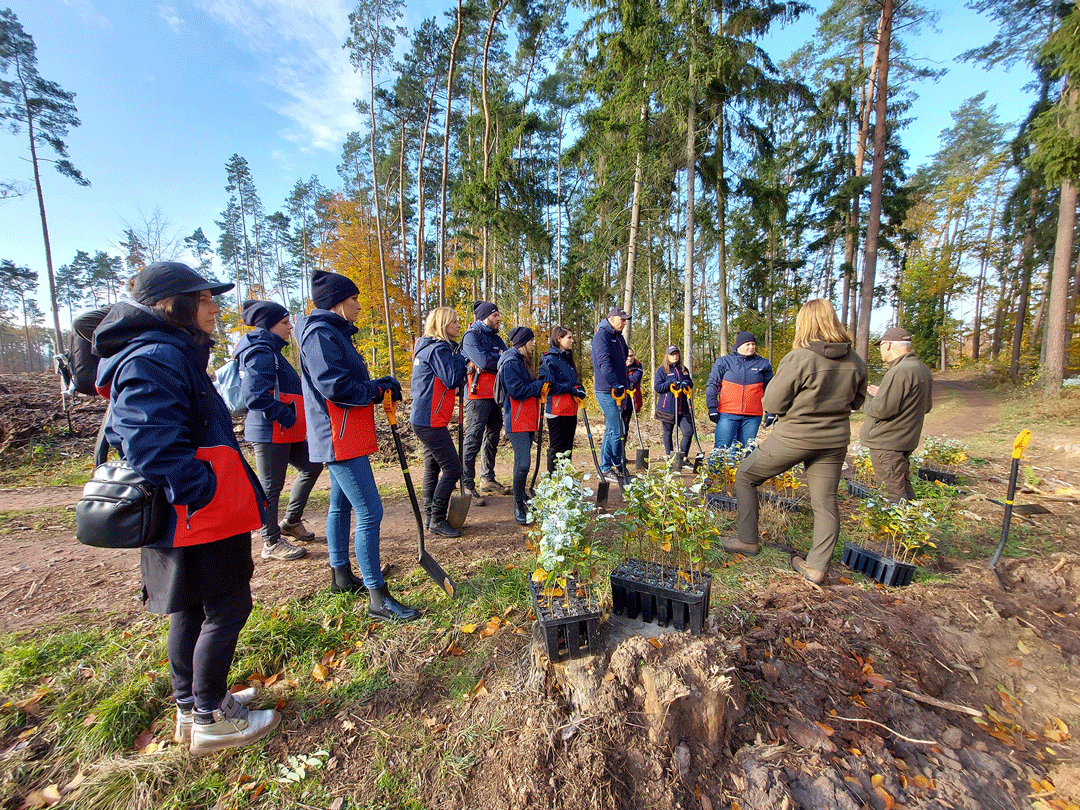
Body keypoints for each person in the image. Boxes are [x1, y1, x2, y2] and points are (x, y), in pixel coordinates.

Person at [93, 261, 278, 756]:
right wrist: (203, 489)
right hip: (194, 513)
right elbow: (150, 444)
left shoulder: (168, 352)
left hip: (190, 512)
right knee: (229, 604)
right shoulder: (154, 357)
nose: (214, 306)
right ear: (170, 306)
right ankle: (212, 714)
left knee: (192, 607)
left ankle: (191, 705)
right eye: (203, 298)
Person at [297, 269, 419, 621]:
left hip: (344, 432)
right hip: (338, 435)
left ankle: (340, 575)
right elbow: (336, 387)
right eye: (354, 300)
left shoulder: (331, 333)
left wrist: (377, 382)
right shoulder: (320, 334)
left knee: (341, 506)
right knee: (370, 511)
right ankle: (377, 596)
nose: (359, 306)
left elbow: (348, 380)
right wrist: (376, 390)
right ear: (337, 303)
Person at [725, 299, 867, 585]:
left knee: (746, 475)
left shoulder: (800, 358)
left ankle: (748, 540)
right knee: (825, 502)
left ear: (805, 323)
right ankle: (816, 566)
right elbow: (858, 401)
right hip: (835, 439)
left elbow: (772, 401)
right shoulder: (855, 360)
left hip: (795, 437)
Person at [235, 299, 323, 561]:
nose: (289, 327)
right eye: (284, 323)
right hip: (271, 430)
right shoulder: (260, 351)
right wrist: (287, 416)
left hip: (287, 430)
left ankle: (291, 521)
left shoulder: (271, 350)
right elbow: (255, 396)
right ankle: (270, 541)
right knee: (271, 487)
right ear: (269, 325)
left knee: (312, 466)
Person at [410, 307, 469, 537]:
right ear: (443, 325)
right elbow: (452, 379)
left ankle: (429, 517)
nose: (458, 325)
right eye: (454, 322)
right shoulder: (438, 349)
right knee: (453, 468)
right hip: (429, 419)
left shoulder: (427, 347)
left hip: (427, 417)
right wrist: (461, 360)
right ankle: (436, 519)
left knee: (433, 466)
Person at [859, 326, 933, 502]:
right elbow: (925, 406)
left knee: (891, 494)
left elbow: (881, 410)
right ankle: (912, 525)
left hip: (888, 443)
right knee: (903, 488)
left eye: (881, 346)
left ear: (890, 345)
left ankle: (898, 529)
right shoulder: (921, 369)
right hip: (904, 440)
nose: (881, 351)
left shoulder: (899, 371)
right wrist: (883, 394)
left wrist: (860, 401)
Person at [461, 301, 510, 504]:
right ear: (484, 317)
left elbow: (508, 359)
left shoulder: (496, 337)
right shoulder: (471, 336)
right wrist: (496, 357)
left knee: (492, 437)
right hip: (476, 395)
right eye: (495, 315)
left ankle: (487, 479)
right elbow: (482, 361)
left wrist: (497, 358)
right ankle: (466, 485)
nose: (499, 319)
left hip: (495, 395)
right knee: (472, 440)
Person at [497, 326, 547, 524]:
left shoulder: (521, 361)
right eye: (531, 340)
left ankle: (521, 498)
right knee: (524, 463)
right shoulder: (510, 362)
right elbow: (517, 391)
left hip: (526, 418)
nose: (534, 343)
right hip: (516, 419)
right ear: (523, 342)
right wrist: (539, 385)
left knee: (521, 463)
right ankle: (518, 502)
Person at [706, 331, 774, 449]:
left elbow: (770, 389)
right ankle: (717, 468)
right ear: (739, 346)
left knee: (746, 449)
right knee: (722, 448)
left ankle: (743, 468)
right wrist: (712, 407)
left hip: (752, 416)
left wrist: (771, 411)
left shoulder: (763, 364)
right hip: (727, 414)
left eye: (753, 344)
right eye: (747, 344)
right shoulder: (724, 362)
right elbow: (712, 385)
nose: (751, 347)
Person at [591, 307, 631, 481]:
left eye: (625, 320)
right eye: (621, 320)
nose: (624, 323)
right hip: (606, 390)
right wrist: (615, 383)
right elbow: (604, 362)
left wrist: (625, 384)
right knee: (617, 429)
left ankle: (606, 466)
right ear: (612, 319)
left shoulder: (619, 337)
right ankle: (615, 462)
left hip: (618, 390)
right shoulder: (602, 336)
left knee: (612, 430)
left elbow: (623, 363)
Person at [539, 326, 586, 473]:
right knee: (557, 447)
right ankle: (554, 482)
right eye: (569, 337)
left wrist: (580, 388)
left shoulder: (567, 359)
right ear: (559, 339)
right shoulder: (549, 359)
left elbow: (573, 382)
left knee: (567, 448)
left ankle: (565, 481)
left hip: (571, 409)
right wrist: (571, 389)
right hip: (556, 410)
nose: (572, 340)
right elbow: (549, 386)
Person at [653, 345, 694, 467]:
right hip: (667, 408)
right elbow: (658, 387)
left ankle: (683, 458)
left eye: (676, 354)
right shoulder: (662, 370)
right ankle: (669, 457)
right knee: (668, 432)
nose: (674, 356)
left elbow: (690, 383)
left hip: (683, 408)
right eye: (672, 354)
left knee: (688, 431)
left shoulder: (683, 369)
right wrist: (670, 383)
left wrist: (686, 383)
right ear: (667, 356)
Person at [622, 346, 645, 441]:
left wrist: (621, 379)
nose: (629, 358)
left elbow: (635, 379)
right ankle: (613, 453)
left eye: (631, 356)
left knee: (625, 428)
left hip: (630, 400)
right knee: (615, 428)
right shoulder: (617, 364)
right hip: (617, 400)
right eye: (627, 356)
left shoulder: (638, 365)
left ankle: (622, 453)